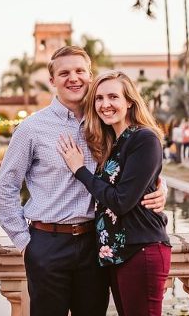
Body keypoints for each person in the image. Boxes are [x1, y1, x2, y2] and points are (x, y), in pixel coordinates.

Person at [0, 46, 167, 316]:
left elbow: (133, 165)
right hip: (47, 243)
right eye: (64, 73)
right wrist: (25, 243)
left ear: (90, 75)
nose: (72, 78)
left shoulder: (104, 123)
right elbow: (6, 185)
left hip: (94, 244)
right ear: (52, 81)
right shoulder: (31, 128)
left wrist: (159, 185)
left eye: (79, 71)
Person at [57, 70, 171, 316]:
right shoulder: (111, 142)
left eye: (113, 97)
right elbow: (141, 181)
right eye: (98, 98)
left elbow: (121, 201)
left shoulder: (144, 138)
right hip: (117, 254)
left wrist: (79, 169)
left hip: (141, 250)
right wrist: (163, 187)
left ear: (129, 101)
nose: (105, 105)